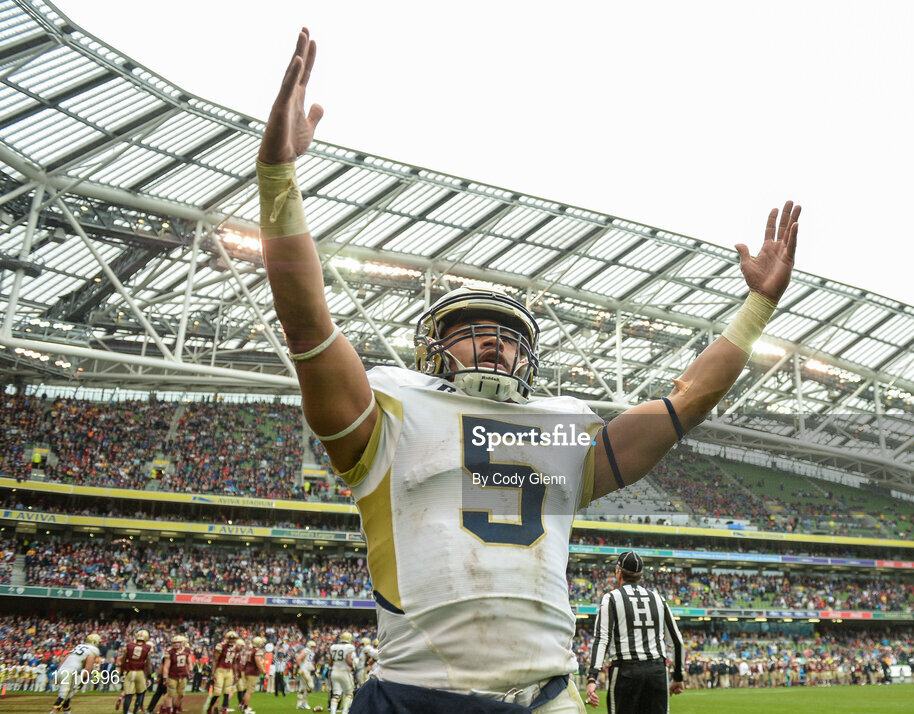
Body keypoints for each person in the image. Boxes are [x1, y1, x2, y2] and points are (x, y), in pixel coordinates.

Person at [256, 27, 799, 714]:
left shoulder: (563, 432)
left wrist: (756, 311)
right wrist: (276, 176)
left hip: (547, 698)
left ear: (530, 355)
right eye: (470, 332)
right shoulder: (391, 414)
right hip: (419, 695)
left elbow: (685, 402)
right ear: (433, 348)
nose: (494, 346)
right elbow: (308, 324)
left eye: (511, 338)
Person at [584, 552, 684, 712]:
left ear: (619, 572)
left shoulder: (611, 598)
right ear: (640, 576)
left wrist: (592, 677)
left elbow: (602, 639)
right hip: (657, 671)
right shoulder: (659, 599)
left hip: (626, 671)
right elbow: (677, 642)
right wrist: (678, 677)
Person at [48, 633, 101, 714]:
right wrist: (83, 680)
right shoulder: (92, 651)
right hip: (70, 673)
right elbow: (87, 668)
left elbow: (64, 659)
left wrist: (58, 673)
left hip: (62, 670)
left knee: (67, 698)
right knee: (63, 697)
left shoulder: (78, 647)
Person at [117, 630, 153, 714]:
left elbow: (123, 661)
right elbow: (148, 664)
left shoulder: (129, 645)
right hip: (140, 672)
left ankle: (126, 712)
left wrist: (121, 672)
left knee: (128, 694)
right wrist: (149, 676)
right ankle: (135, 711)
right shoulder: (147, 647)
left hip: (130, 672)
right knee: (140, 693)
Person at [205, 631, 240, 714]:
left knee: (227, 692)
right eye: (230, 638)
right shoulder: (221, 646)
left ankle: (224, 710)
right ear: (227, 639)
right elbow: (215, 660)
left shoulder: (236, 648)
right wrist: (213, 673)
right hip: (220, 670)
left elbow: (234, 662)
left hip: (229, 671)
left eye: (233, 639)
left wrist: (235, 675)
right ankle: (210, 707)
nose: (232, 640)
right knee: (217, 692)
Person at [160, 636, 192, 714]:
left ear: (182, 643)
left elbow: (189, 662)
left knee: (181, 694)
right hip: (172, 676)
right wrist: (164, 678)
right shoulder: (170, 652)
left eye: (177, 642)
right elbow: (166, 666)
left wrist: (190, 672)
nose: (175, 644)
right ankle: (169, 711)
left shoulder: (187, 650)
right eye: (174, 643)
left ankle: (175, 709)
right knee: (170, 694)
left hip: (183, 676)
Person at [328, 633, 356, 714]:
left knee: (336, 693)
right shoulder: (349, 647)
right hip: (344, 672)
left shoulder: (333, 647)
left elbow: (330, 662)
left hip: (334, 672)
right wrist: (353, 666)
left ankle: (333, 712)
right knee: (349, 693)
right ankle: (345, 712)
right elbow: (348, 660)